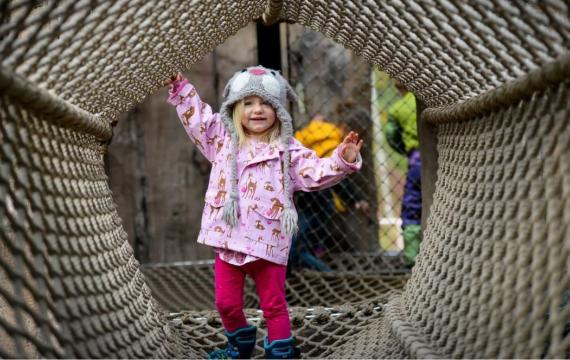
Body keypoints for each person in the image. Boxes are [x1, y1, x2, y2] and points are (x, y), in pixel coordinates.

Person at [165, 66, 363, 359]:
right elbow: (200, 121)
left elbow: (315, 171)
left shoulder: (287, 150)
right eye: (248, 103)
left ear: (279, 110)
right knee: (227, 304)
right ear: (235, 108)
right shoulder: (221, 140)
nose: (257, 110)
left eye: (267, 103)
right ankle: (239, 346)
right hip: (229, 241)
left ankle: (281, 351)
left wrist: (341, 160)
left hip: (269, 244)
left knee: (273, 305)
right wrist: (182, 90)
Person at [384, 81, 421, 267]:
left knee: (412, 207)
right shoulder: (433, 100)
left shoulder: (398, 108)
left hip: (416, 159)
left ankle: (412, 258)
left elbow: (391, 136)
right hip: (443, 156)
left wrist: (405, 150)